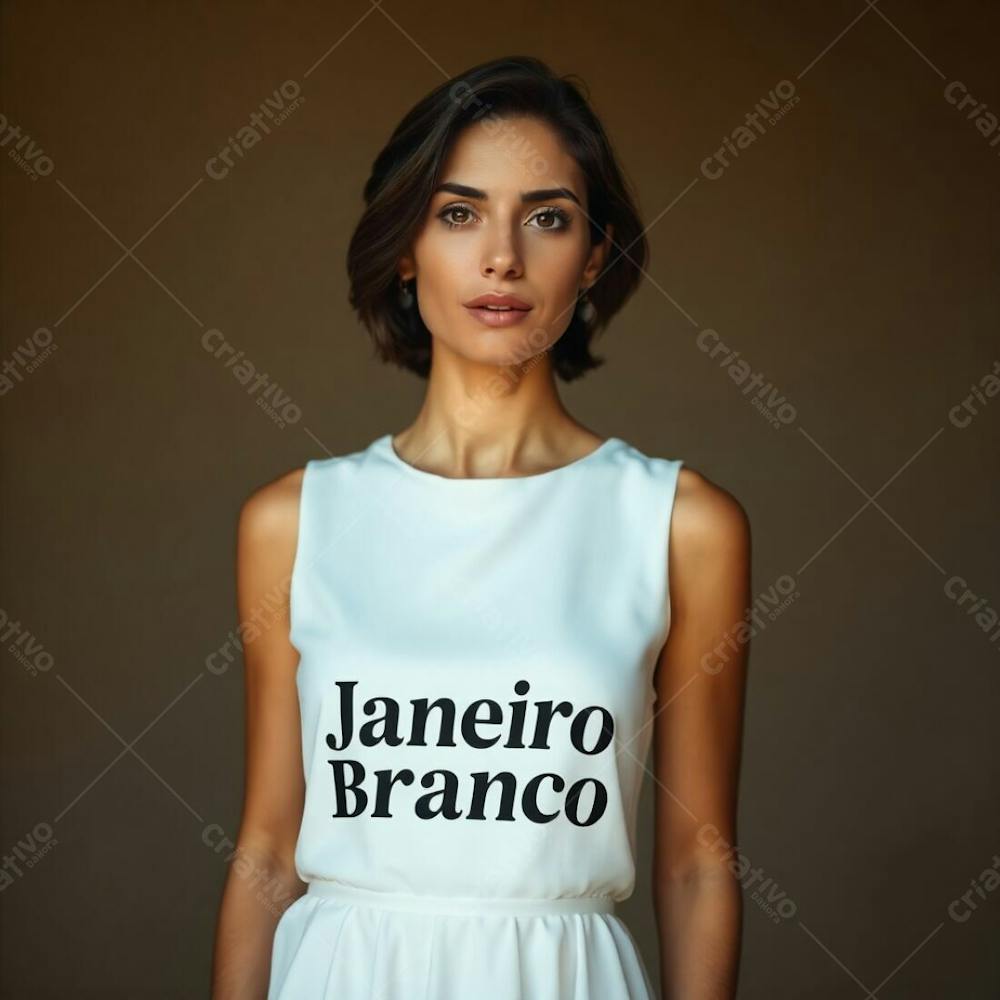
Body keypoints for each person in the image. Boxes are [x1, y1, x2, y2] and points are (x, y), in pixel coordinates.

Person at [211, 54, 750, 1000]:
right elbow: (266, 848)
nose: (502, 255)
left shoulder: (679, 524)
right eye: (458, 213)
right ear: (405, 245)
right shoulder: (293, 523)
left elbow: (696, 866)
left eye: (547, 217)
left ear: (593, 256)